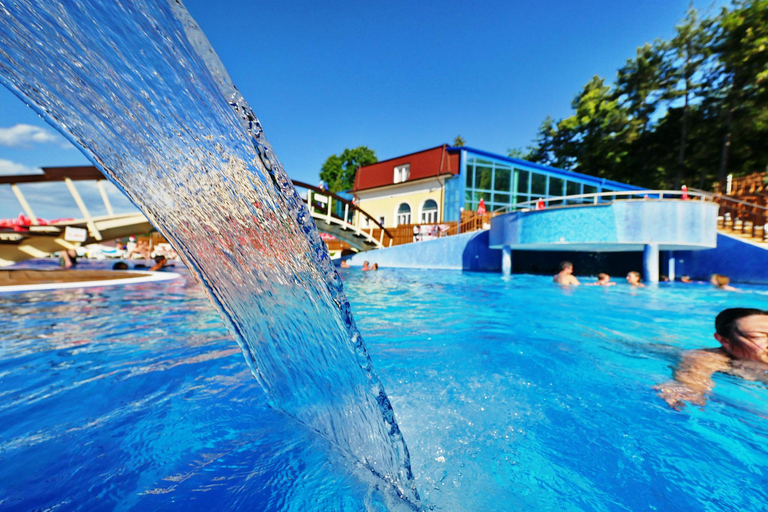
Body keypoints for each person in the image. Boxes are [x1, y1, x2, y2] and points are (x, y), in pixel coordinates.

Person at [656, 308, 768, 410]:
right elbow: (690, 382)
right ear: (725, 340)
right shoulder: (709, 358)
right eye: (758, 336)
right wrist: (687, 389)